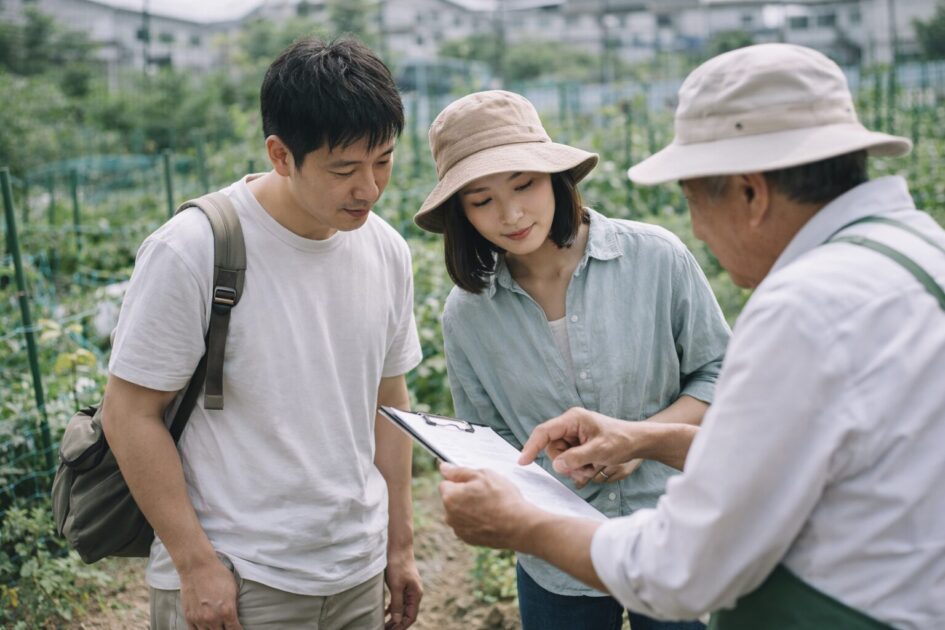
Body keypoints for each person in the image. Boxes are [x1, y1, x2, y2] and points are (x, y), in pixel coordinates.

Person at [437, 43, 945, 629]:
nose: (697, 230)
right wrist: (642, 439)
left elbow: (682, 569)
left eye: (692, 201)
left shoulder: (805, 309)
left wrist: (523, 525)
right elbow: (774, 455)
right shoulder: (915, 252)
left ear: (751, 194)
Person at [102, 38, 424, 630]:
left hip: (355, 569)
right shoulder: (195, 248)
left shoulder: (386, 250)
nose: (370, 188)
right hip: (239, 576)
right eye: (344, 169)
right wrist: (195, 565)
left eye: (383, 160)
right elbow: (128, 414)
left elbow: (389, 403)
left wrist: (398, 545)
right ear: (281, 154)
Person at [413, 90, 731, 630]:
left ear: (555, 178)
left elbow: (719, 372)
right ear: (461, 212)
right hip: (554, 559)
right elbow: (489, 440)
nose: (511, 214)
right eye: (482, 200)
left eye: (524, 185)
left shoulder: (655, 258)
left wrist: (638, 441)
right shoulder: (468, 314)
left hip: (674, 530)